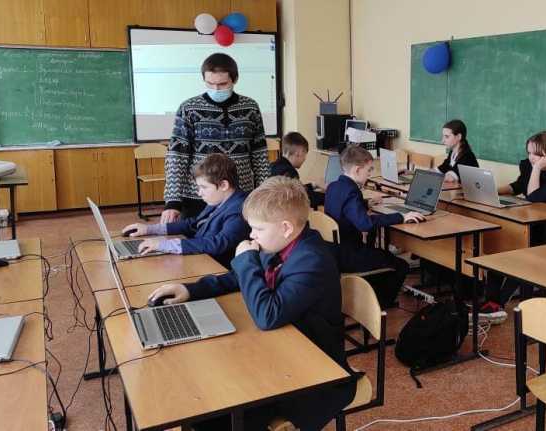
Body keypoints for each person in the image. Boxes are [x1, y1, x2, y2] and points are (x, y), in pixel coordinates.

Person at [147, 177, 356, 431]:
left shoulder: (311, 260)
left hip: (315, 372)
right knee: (207, 403)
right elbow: (239, 278)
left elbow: (267, 316)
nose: (251, 235)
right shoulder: (282, 243)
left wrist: (247, 260)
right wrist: (191, 290)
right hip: (281, 350)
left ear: (286, 228)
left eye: (257, 229)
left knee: (221, 415)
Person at [479, 131, 546, 323]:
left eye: (536, 154)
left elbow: (533, 197)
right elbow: (519, 186)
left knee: (519, 256)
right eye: (529, 153)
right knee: (497, 250)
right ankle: (492, 302)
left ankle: (498, 305)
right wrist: (491, 190)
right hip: (533, 229)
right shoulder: (528, 166)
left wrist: (537, 169)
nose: (531, 158)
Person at [162, 53, 270, 223]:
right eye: (210, 84)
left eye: (222, 84)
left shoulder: (251, 108)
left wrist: (263, 193)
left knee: (236, 237)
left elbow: (259, 155)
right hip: (198, 196)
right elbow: (177, 156)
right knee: (194, 237)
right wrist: (172, 201)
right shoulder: (189, 108)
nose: (216, 89)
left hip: (240, 196)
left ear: (234, 79)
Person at [324, 145, 425, 307]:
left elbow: (343, 207)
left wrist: (365, 204)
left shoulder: (334, 186)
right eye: (369, 170)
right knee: (401, 265)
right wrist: (401, 216)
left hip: (334, 250)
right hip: (348, 255)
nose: (370, 174)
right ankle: (378, 306)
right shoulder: (352, 191)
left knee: (382, 254)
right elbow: (365, 224)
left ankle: (369, 298)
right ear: (357, 170)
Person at [123, 154, 249, 268]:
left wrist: (164, 245)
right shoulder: (219, 200)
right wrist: (150, 229)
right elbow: (193, 224)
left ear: (223, 185)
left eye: (203, 187)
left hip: (215, 267)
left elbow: (217, 244)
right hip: (200, 258)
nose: (199, 193)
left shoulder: (239, 209)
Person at [270, 131, 324, 207]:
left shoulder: (276, 165)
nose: (305, 159)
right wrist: (329, 195)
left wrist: (313, 185)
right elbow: (303, 198)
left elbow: (296, 189)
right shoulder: (288, 171)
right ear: (299, 153)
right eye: (305, 154)